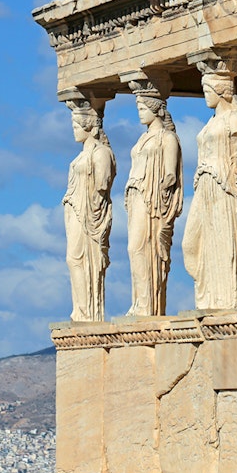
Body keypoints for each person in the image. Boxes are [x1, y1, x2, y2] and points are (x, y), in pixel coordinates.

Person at [182, 71, 237, 310]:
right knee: (191, 244)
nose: (205, 95)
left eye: (208, 90)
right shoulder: (212, 121)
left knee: (224, 240)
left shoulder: (236, 121)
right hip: (204, 186)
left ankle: (226, 299)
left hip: (224, 187)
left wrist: (232, 179)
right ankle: (209, 296)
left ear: (221, 91)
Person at [125, 94, 182, 317]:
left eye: (143, 107)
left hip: (152, 201)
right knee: (134, 249)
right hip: (136, 197)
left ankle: (147, 306)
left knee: (141, 248)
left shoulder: (167, 138)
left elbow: (171, 174)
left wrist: (160, 187)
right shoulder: (142, 139)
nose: (139, 112)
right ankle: (139, 302)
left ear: (155, 109)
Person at [63, 101, 117, 321]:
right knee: (73, 259)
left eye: (78, 124)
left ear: (90, 126)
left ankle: (89, 312)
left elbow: (102, 184)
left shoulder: (101, 152)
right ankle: (80, 309)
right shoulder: (82, 155)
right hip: (75, 211)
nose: (74, 129)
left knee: (83, 259)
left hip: (89, 214)